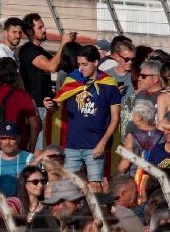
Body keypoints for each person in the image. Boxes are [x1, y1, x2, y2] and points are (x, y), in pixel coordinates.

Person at [50, 45, 123, 184]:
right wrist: (50, 105)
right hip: (72, 145)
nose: (80, 68)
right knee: (68, 187)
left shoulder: (109, 84)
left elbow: (115, 118)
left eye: (84, 64)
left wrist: (102, 143)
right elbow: (55, 107)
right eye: (79, 64)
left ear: (96, 62)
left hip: (95, 146)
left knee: (95, 186)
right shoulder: (72, 81)